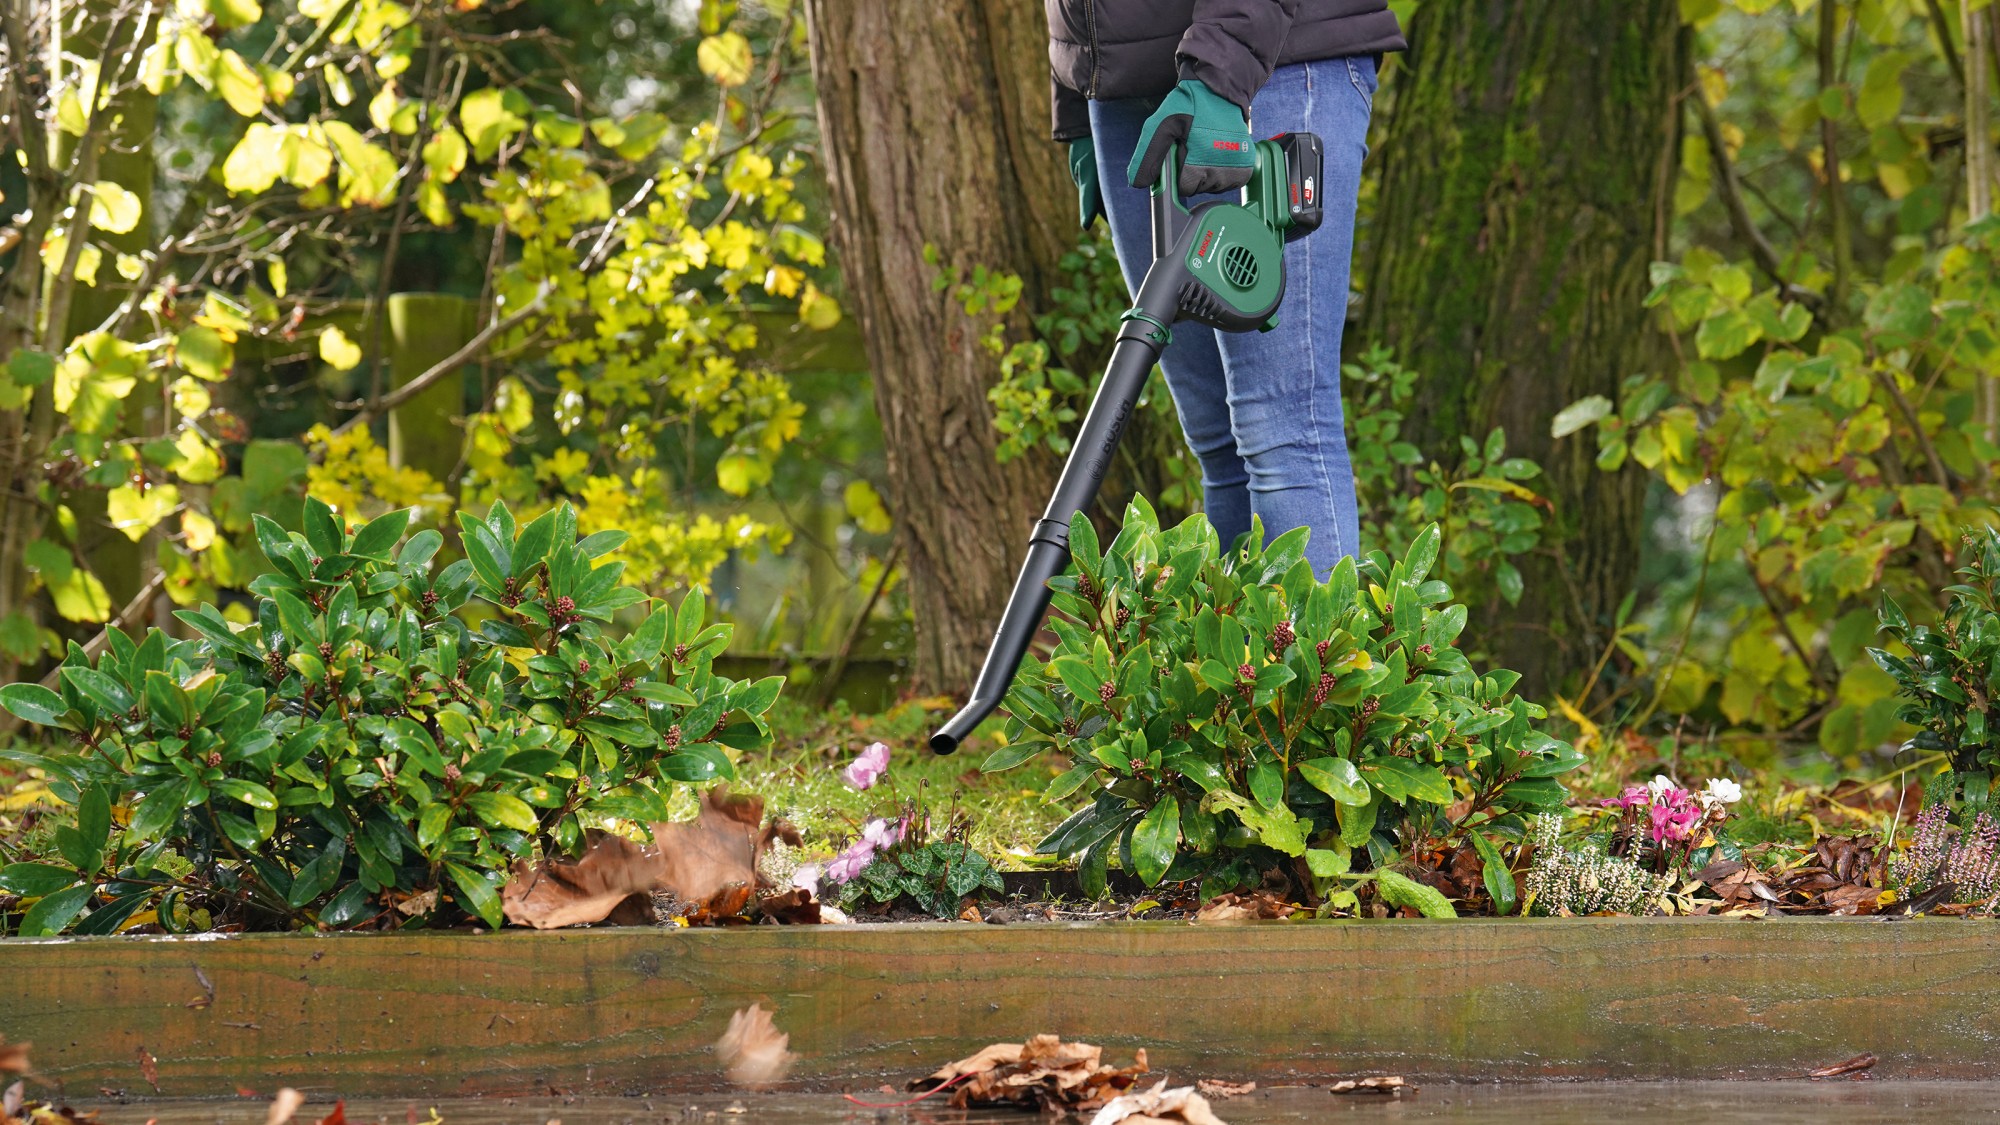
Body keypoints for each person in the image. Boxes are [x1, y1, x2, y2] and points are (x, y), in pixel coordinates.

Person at [1047, 1, 1405, 575]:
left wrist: (1220, 69)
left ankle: (1314, 660)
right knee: (1218, 440)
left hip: (1270, 60)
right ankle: (1248, 660)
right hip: (1122, 90)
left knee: (1282, 430)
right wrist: (1073, 87)